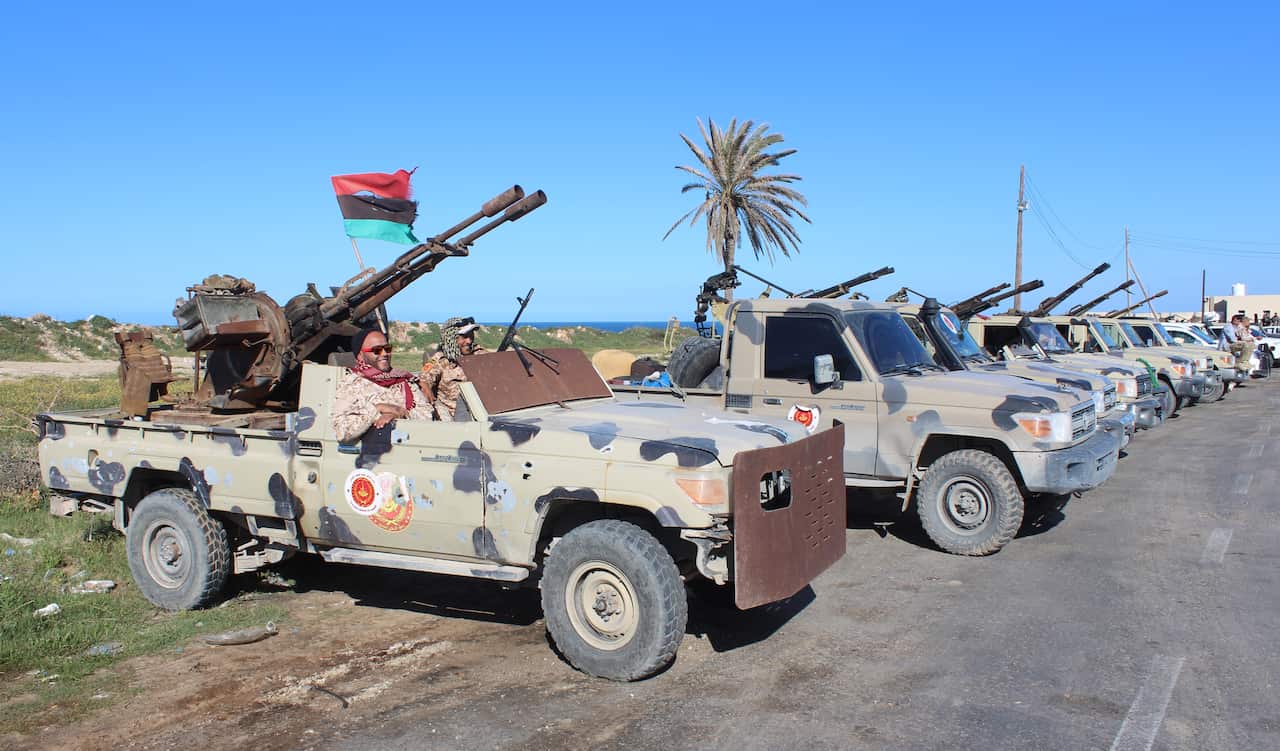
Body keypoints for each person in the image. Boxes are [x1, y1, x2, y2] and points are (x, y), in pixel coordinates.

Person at [332, 328, 434, 442]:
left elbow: (427, 417)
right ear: (361, 355)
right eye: (377, 350)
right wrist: (378, 409)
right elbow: (341, 432)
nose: (384, 353)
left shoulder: (402, 380)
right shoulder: (351, 385)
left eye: (387, 348)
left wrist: (400, 414)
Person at [423, 316, 487, 420]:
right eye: (464, 337)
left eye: (471, 336)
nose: (469, 341)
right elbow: (423, 381)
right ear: (451, 338)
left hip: (481, 411)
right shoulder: (437, 360)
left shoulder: (479, 354)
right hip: (452, 417)